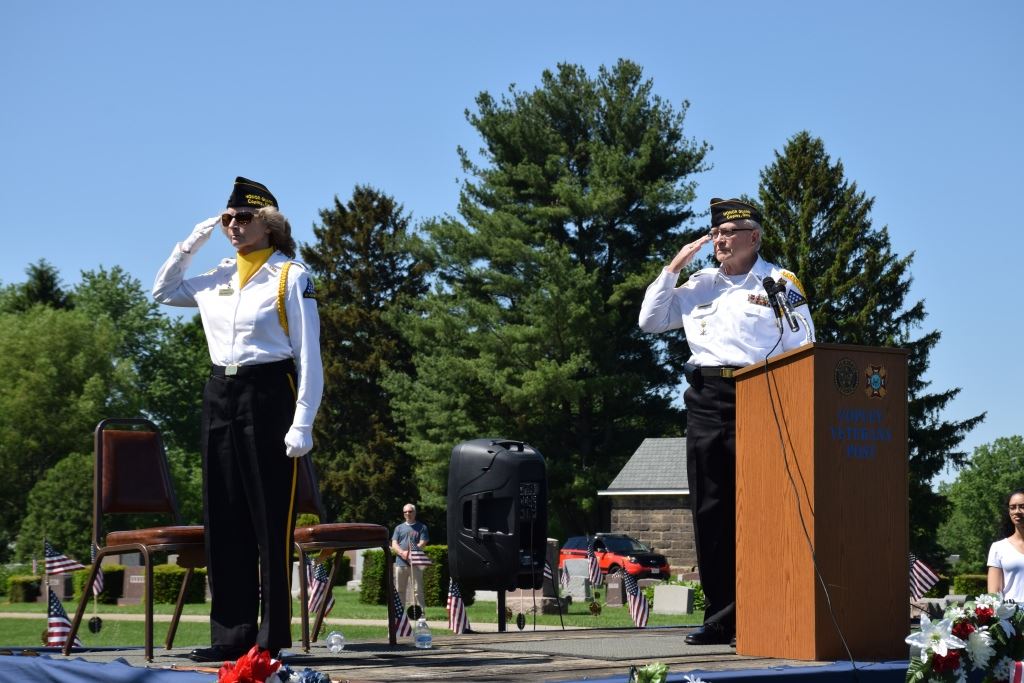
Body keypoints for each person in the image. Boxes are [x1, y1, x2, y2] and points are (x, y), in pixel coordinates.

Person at [153, 177, 323, 663]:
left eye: (243, 218)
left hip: (268, 392)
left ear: (269, 225)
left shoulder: (290, 276)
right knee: (223, 517)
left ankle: (269, 639)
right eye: (227, 218)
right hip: (219, 394)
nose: (233, 226)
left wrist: (303, 420)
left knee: (269, 519)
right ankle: (231, 635)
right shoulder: (217, 276)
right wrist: (191, 243)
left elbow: (308, 355)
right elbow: (163, 291)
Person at [638, 197, 814, 646]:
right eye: (715, 233)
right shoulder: (699, 284)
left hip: (758, 396)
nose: (719, 240)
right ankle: (720, 618)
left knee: (757, 510)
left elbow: (804, 344)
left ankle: (761, 613)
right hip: (705, 399)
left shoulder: (779, 283)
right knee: (710, 510)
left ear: (753, 237)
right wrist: (673, 268)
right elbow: (650, 320)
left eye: (728, 233)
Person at [987, 488, 1024, 602]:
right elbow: (994, 592)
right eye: (1012, 507)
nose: (1017, 511)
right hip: (1011, 611)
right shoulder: (998, 547)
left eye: (1022, 506)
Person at [391, 503, 429, 611]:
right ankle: (400, 614)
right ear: (403, 514)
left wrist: (411, 552)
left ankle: (420, 614)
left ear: (415, 513)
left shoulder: (422, 527)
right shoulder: (398, 528)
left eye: (410, 511)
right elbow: (394, 543)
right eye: (405, 512)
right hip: (400, 563)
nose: (408, 513)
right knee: (400, 590)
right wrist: (402, 553)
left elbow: (423, 542)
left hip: (416, 563)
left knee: (417, 590)